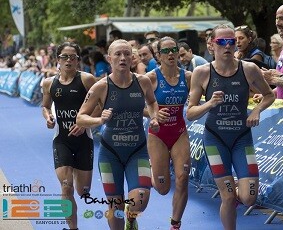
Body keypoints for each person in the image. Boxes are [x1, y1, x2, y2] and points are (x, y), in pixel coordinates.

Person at [186, 24, 275, 230]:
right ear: (212, 45)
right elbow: (190, 113)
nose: (227, 46)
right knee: (227, 197)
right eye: (221, 42)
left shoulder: (249, 69)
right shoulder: (201, 73)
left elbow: (270, 95)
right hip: (215, 140)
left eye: (231, 41)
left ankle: (236, 187)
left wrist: (256, 110)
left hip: (241, 139)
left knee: (249, 198)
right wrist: (209, 104)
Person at [76, 39, 159, 230]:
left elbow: (153, 103)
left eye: (127, 54)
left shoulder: (143, 81)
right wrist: (99, 121)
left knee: (140, 200)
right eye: (118, 54)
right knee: (115, 205)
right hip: (110, 154)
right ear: (109, 58)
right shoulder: (101, 86)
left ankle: (132, 217)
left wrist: (154, 118)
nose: (123, 58)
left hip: (137, 151)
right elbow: (80, 118)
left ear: (132, 57)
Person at [41, 42, 97, 230]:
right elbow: (45, 106)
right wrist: (48, 117)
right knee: (66, 186)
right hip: (62, 140)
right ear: (58, 59)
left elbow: (100, 106)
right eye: (65, 56)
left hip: (84, 141)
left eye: (73, 57)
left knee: (83, 191)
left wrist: (84, 123)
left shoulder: (87, 80)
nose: (69, 60)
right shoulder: (49, 83)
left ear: (78, 61)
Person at [145, 37, 192, 230]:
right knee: (163, 189)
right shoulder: (150, 78)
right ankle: (149, 172)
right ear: (158, 55)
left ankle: (175, 223)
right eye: (165, 51)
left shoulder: (188, 77)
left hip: (179, 132)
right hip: (157, 135)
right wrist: (154, 114)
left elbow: (196, 100)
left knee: (183, 177)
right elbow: (136, 106)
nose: (171, 54)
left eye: (174, 50)